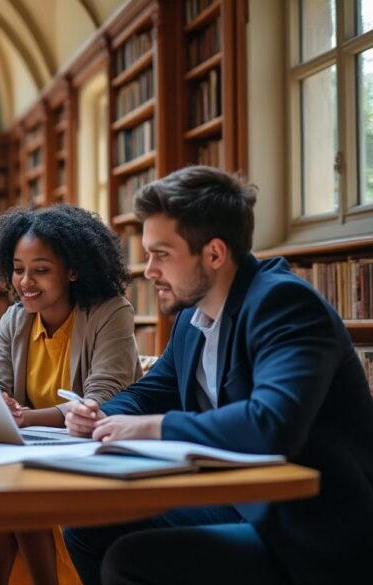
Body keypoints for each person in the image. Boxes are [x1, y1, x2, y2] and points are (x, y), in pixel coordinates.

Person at [62, 166, 373, 585]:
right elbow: (152, 391)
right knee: (87, 524)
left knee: (130, 560)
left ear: (214, 254)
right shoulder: (193, 317)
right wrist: (100, 414)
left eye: (161, 254)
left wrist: (153, 428)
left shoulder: (284, 304)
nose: (148, 271)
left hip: (312, 530)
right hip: (243, 504)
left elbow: (272, 424)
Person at [0, 205, 141, 585]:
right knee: (13, 490)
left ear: (72, 270)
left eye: (41, 270)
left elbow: (103, 396)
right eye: (18, 269)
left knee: (16, 494)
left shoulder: (110, 312)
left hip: (93, 454)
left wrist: (25, 417)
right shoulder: (15, 318)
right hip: (32, 456)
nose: (26, 281)